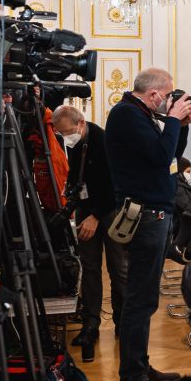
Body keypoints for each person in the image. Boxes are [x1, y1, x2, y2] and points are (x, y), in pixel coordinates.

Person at [104, 67, 191, 381]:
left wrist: (181, 126)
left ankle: (140, 369)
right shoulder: (127, 115)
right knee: (140, 301)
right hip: (144, 216)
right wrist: (172, 120)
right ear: (155, 94)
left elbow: (169, 154)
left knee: (144, 300)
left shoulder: (140, 114)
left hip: (153, 214)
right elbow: (160, 157)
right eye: (169, 95)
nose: (170, 100)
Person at [51, 104, 127, 363]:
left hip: (109, 211)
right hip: (86, 210)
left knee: (119, 269)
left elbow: (114, 185)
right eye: (61, 134)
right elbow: (77, 175)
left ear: (81, 123)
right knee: (90, 269)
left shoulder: (104, 141)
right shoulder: (74, 143)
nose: (65, 138)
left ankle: (123, 322)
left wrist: (95, 216)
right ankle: (91, 324)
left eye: (68, 132)